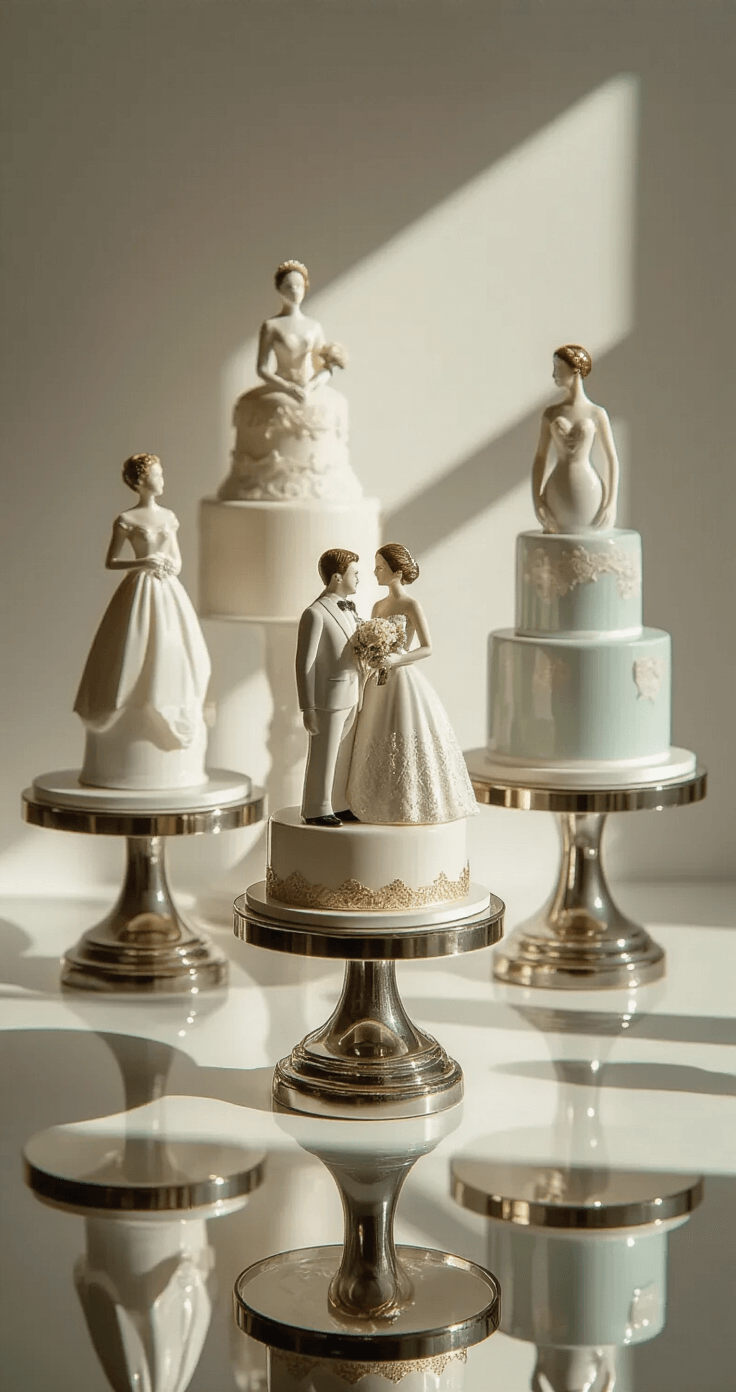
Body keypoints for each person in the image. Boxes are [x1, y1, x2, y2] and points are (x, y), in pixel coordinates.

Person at [74, 453, 211, 789]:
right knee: (131, 649)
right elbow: (112, 561)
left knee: (180, 649)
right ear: (139, 481)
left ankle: (171, 709)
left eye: (161, 473)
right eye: (157, 474)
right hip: (139, 590)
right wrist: (144, 562)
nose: (162, 479)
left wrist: (167, 566)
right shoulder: (126, 519)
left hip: (168, 591)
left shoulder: (169, 517)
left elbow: (177, 559)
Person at [345, 544, 478, 824]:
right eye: (376, 566)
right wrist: (372, 654)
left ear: (396, 571)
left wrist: (397, 659)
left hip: (401, 677)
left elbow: (428, 647)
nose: (375, 572)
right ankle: (374, 798)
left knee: (402, 731)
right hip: (377, 681)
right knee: (374, 733)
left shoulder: (410, 605)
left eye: (380, 567)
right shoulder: (378, 606)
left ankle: (409, 801)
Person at [218, 260, 359, 502]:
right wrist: (288, 388)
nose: (295, 291)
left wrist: (312, 385)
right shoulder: (271, 326)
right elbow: (262, 369)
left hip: (309, 388)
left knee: (335, 404)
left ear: (306, 287)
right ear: (279, 289)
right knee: (253, 405)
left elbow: (322, 367)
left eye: (299, 285)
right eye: (288, 286)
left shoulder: (314, 327)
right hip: (281, 385)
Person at [295, 548, 362, 826]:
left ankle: (338, 802)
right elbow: (304, 664)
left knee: (343, 752)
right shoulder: (314, 613)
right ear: (337, 577)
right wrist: (307, 706)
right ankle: (316, 808)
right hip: (328, 698)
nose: (359, 578)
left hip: (351, 692)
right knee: (323, 753)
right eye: (354, 573)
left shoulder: (350, 609)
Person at [532, 344, 620, 534]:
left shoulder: (597, 413)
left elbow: (612, 458)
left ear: (575, 370)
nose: (554, 374)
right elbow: (540, 458)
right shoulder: (551, 413)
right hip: (557, 491)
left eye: (559, 369)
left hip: (590, 491)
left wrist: (611, 503)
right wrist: (538, 501)